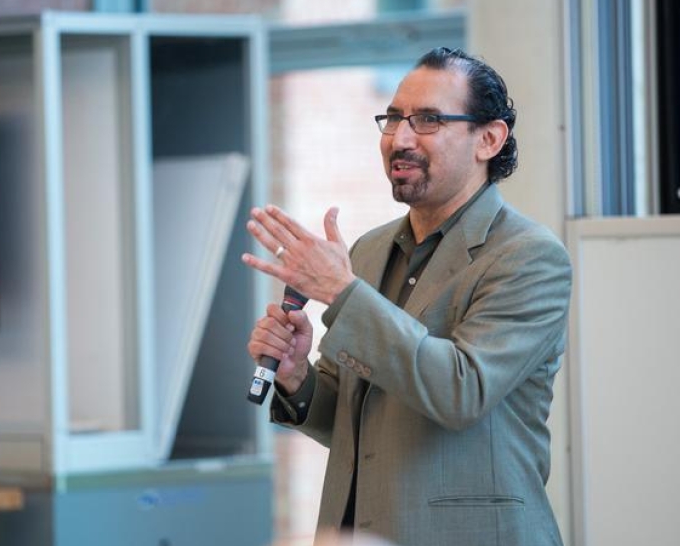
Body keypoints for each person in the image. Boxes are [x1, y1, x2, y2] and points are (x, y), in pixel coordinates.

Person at [242, 47, 572, 546]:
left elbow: (460, 392)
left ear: (488, 139)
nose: (399, 138)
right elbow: (358, 423)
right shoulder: (370, 250)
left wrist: (341, 291)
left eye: (428, 120)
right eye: (393, 118)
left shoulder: (528, 256)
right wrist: (296, 376)